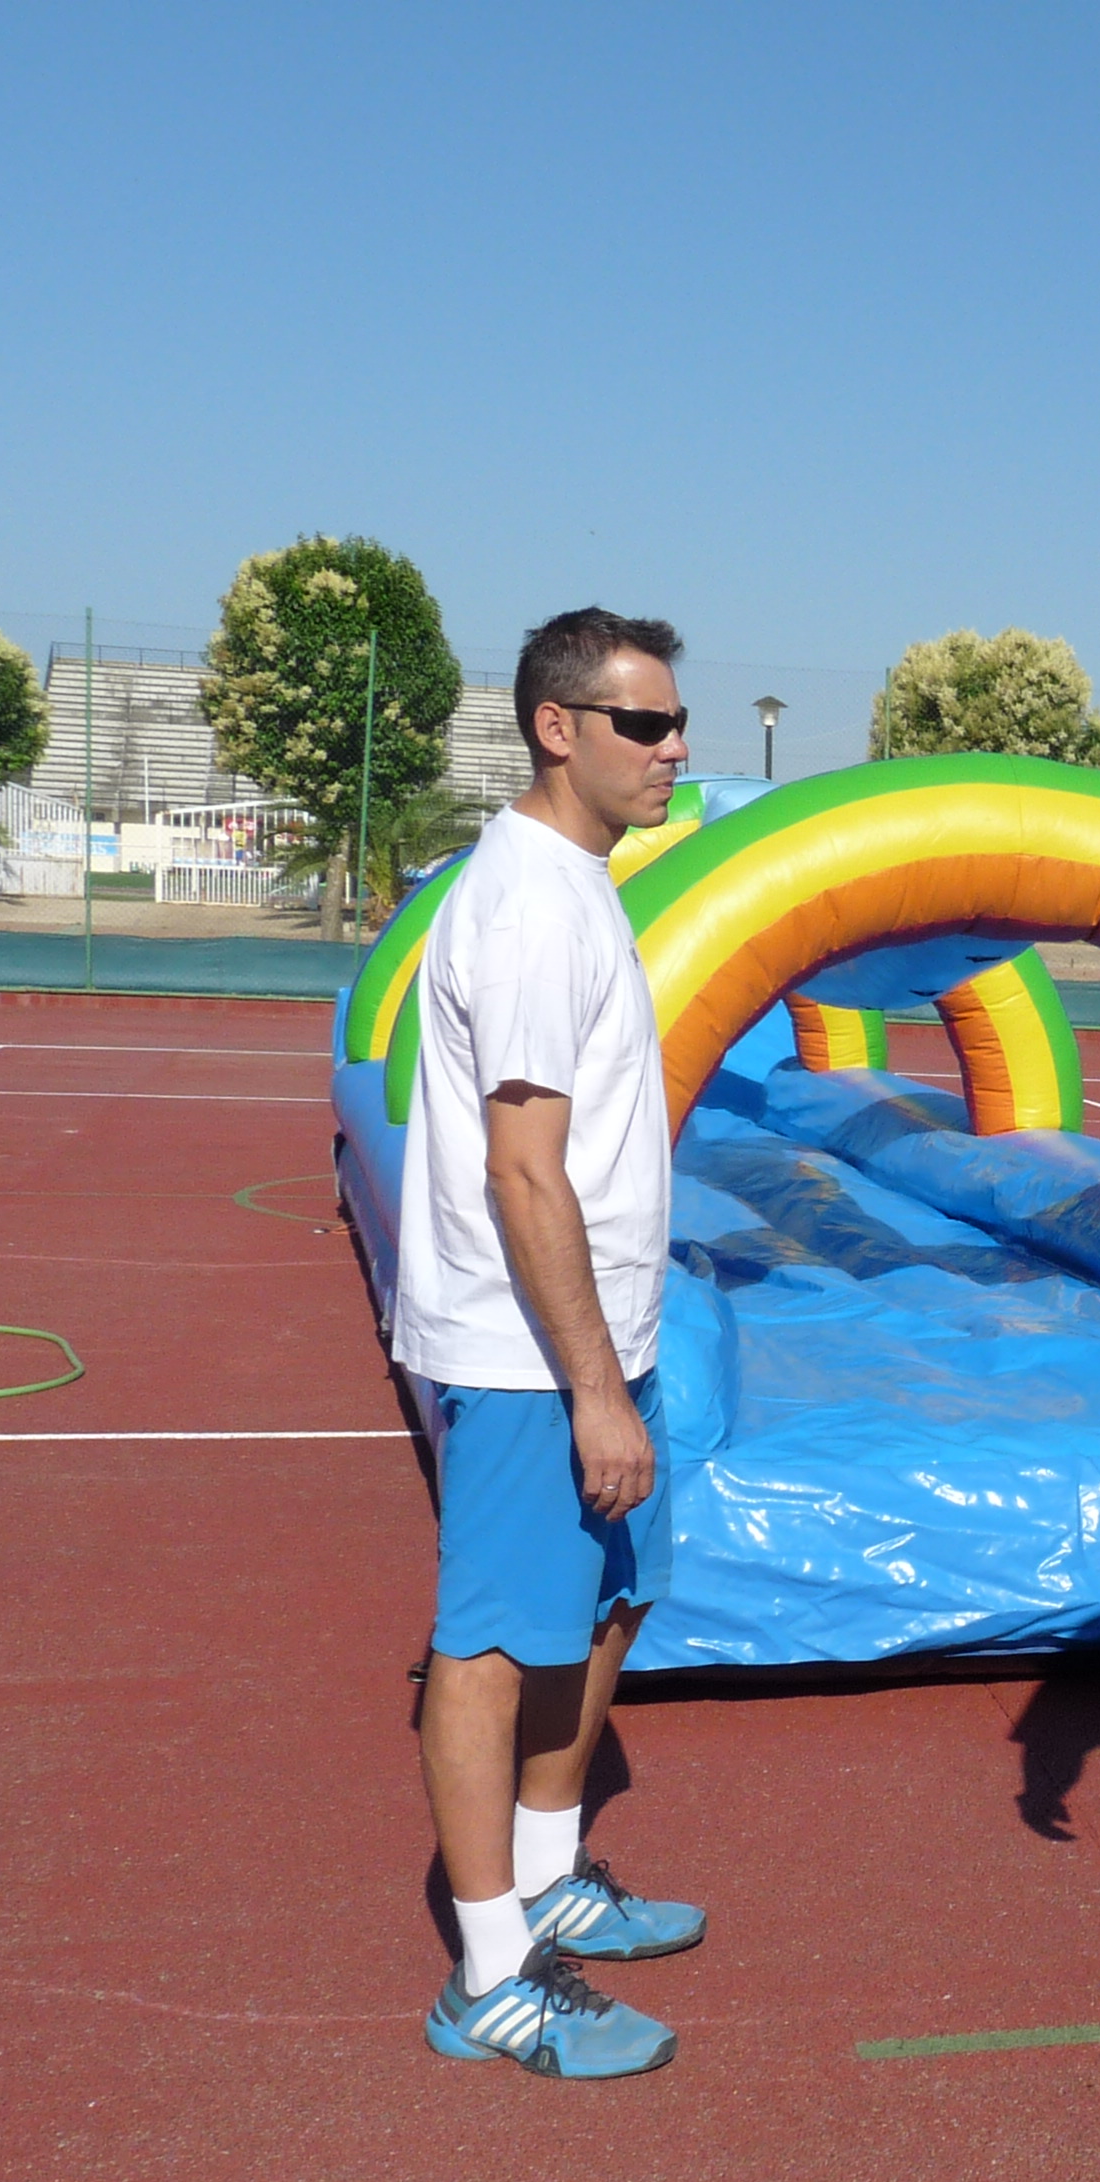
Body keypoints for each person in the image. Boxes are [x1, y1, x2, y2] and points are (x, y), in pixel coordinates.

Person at [396, 608, 707, 2079]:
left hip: (598, 1332)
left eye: (676, 720)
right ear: (556, 728)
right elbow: (524, 1171)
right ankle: (491, 1973)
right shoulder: (526, 905)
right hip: (529, 1354)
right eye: (644, 724)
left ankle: (546, 1870)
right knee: (488, 1645)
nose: (674, 747)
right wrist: (593, 1390)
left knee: (604, 1605)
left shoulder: (580, 883)